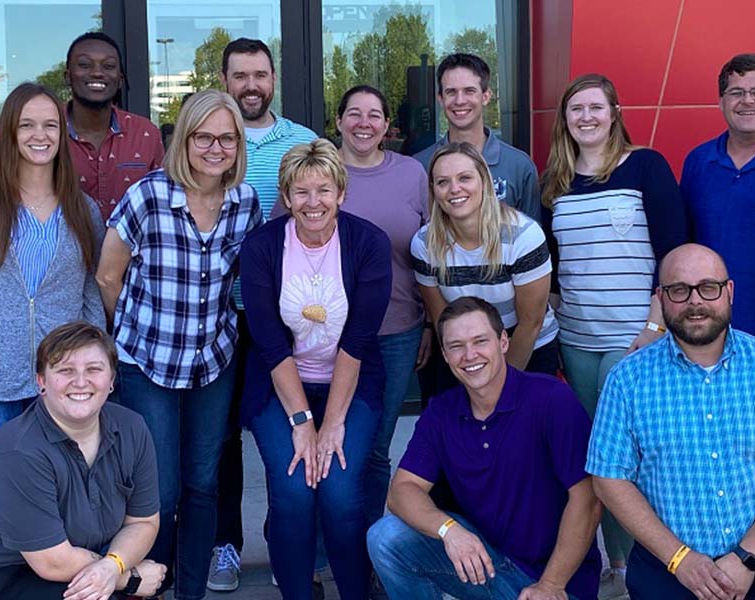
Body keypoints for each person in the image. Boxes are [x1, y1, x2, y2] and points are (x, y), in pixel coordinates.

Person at [586, 243, 755, 600]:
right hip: (671, 559)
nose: (695, 301)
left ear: (728, 292)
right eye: (679, 290)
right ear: (661, 298)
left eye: (708, 287)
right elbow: (609, 479)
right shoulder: (627, 380)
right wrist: (680, 559)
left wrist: (746, 558)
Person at [95, 89, 262, 599]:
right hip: (149, 364)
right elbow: (107, 276)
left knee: (203, 483)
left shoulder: (245, 203)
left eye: (227, 138)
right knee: (160, 491)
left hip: (214, 361)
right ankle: (150, 585)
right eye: (204, 137)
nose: (216, 148)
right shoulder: (148, 196)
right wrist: (132, 336)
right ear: (184, 141)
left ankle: (191, 591)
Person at [542, 73, 687, 593]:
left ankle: (659, 556)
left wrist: (653, 327)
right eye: (575, 109)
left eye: (595, 108)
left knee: (636, 453)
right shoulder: (555, 181)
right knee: (597, 458)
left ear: (614, 112)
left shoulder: (645, 166)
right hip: (577, 339)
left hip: (635, 338)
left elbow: (674, 253)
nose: (585, 117)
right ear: (566, 119)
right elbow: (552, 268)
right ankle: (619, 564)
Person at [368, 296, 602, 600]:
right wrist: (448, 530)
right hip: (488, 565)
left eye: (480, 341)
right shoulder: (442, 412)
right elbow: (402, 491)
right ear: (445, 355)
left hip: (554, 582)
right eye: (456, 346)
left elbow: (588, 499)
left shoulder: (550, 399)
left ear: (503, 342)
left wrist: (551, 585)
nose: (469, 355)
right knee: (385, 537)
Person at [239, 139, 391, 600]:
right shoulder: (262, 246)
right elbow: (268, 342)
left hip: (351, 385)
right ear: (285, 197)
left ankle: (354, 591)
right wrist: (304, 422)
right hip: (280, 386)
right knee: (292, 495)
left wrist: (333, 425)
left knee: (341, 496)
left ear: (341, 193)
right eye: (300, 192)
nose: (313, 203)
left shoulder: (368, 243)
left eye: (323, 190)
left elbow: (358, 340)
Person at [0, 322, 166, 600]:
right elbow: (53, 562)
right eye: (65, 370)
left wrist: (114, 565)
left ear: (111, 379)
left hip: (66, 566)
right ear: (41, 381)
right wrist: (130, 578)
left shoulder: (131, 428)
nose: (81, 381)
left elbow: (143, 522)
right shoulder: (17, 452)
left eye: (94, 369)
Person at [0, 82, 104, 462]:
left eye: (50, 126)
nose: (39, 135)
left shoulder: (83, 211)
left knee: (64, 496)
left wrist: (98, 373)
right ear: (9, 133)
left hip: (65, 381)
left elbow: (91, 298)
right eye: (27, 125)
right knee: (4, 500)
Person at [209, 36, 319, 592]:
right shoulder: (205, 142)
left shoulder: (303, 141)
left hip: (291, 321)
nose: (251, 85)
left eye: (260, 75)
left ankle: (286, 541)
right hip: (219, 319)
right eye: (240, 76)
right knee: (221, 439)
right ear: (224, 80)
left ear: (273, 79)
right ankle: (225, 545)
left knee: (289, 438)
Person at [333, 85, 431, 532]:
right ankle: (319, 550)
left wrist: (430, 322)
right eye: (354, 113)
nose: (364, 123)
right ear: (338, 122)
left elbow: (432, 252)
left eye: (374, 115)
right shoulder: (318, 167)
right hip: (326, 335)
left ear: (387, 126)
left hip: (396, 330)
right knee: (328, 440)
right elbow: (283, 243)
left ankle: (367, 546)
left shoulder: (412, 174)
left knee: (375, 446)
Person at [412, 141, 560, 401]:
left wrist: (499, 390)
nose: (454, 189)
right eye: (442, 182)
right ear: (433, 190)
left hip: (526, 347)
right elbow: (442, 321)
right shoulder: (425, 244)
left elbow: (531, 322)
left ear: (485, 182)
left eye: (465, 178)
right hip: (465, 352)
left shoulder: (523, 236)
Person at [680, 54, 755, 347]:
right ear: (721, 101)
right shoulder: (698, 162)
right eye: (736, 93)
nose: (747, 101)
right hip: (709, 331)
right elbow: (683, 244)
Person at [413, 53, 541, 222]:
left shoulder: (518, 165)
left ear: (486, 96)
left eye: (469, 91)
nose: (460, 101)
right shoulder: (419, 166)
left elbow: (533, 239)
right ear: (440, 99)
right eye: (451, 92)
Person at [64, 32, 165, 221]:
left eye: (108, 66)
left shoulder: (146, 133)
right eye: (85, 64)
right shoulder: (47, 132)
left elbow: (162, 204)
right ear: (67, 76)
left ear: (120, 80)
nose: (97, 72)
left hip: (131, 250)